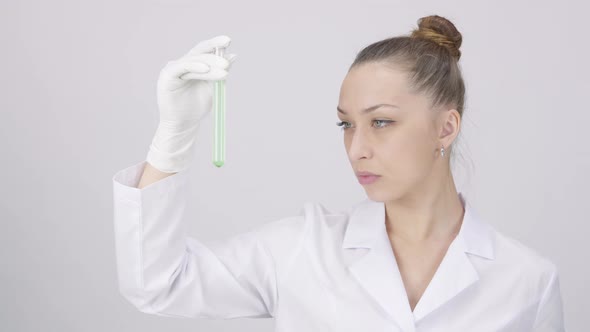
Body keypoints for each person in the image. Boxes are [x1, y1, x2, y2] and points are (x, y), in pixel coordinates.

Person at [112, 15, 565, 331]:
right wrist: (175, 134)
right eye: (346, 124)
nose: (357, 148)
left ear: (445, 127)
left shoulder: (527, 281)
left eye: (381, 122)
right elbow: (159, 284)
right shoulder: (300, 250)